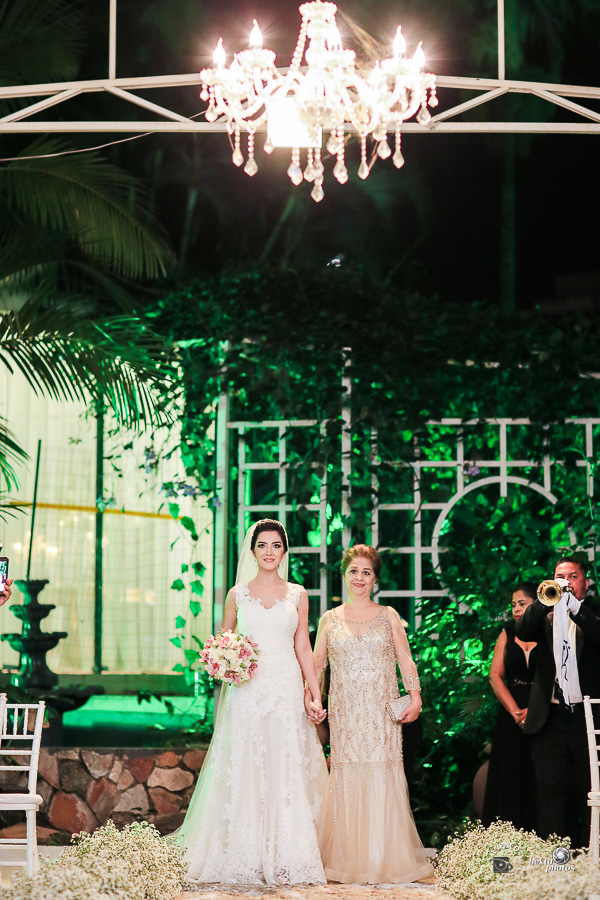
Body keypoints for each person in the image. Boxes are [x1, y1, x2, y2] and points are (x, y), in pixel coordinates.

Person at [176, 518, 329, 885]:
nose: (269, 552)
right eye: (263, 545)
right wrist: (226, 662)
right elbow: (222, 641)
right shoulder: (237, 594)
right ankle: (243, 854)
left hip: (285, 687)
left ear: (284, 550)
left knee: (283, 764)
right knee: (245, 764)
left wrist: (313, 691)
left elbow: (303, 646)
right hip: (247, 690)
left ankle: (285, 855)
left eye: (276, 545)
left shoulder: (298, 594)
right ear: (253, 549)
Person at [311, 544, 434, 884]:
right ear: (344, 575)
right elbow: (318, 665)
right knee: (347, 775)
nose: (359, 578)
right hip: (346, 714)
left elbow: (405, 659)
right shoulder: (329, 619)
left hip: (381, 716)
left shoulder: (388, 616)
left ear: (375, 579)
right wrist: (310, 699)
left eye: (366, 572)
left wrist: (416, 696)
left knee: (382, 776)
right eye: (354, 571)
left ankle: (381, 857)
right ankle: (347, 858)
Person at [516, 556, 600, 846]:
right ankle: (554, 858)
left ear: (585, 583)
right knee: (549, 790)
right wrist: (544, 600)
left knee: (591, 791)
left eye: (572, 576)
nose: (565, 581)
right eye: (559, 576)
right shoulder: (545, 612)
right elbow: (522, 631)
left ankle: (591, 854)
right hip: (549, 717)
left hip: (587, 718)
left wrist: (575, 608)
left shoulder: (594, 611)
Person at [482, 582, 538, 830]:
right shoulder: (506, 633)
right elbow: (495, 676)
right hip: (510, 713)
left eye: (522, 604)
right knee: (507, 778)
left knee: (537, 777)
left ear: (537, 604)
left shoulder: (550, 632)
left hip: (542, 712)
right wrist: (516, 712)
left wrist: (534, 711)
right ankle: (503, 847)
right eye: (513, 605)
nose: (516, 609)